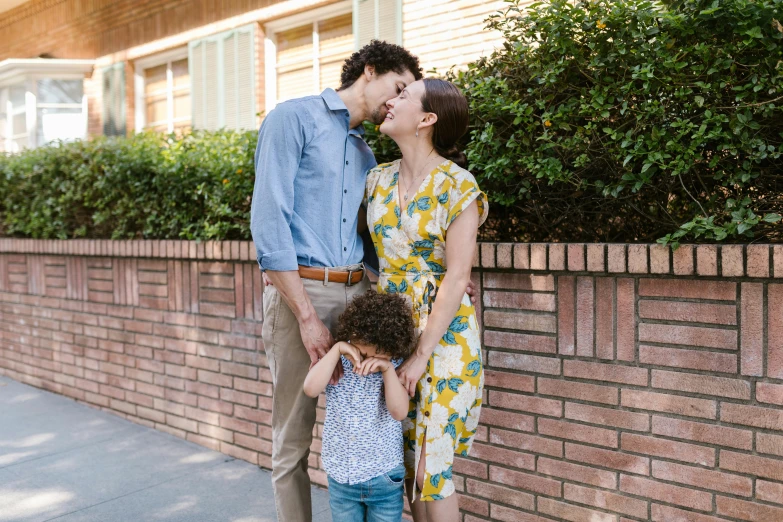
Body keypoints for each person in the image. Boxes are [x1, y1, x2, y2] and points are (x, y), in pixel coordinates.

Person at [249, 40, 423, 522]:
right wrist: (306, 316)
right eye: (399, 85)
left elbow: (372, 241)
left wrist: (434, 275)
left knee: (381, 420)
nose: (399, 99)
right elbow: (269, 222)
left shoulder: (365, 152)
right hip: (300, 291)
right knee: (293, 436)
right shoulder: (294, 118)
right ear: (370, 70)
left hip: (359, 297)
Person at [363, 78, 488, 522]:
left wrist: (420, 355)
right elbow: (355, 250)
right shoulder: (377, 180)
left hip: (444, 339)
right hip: (389, 330)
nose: (390, 102)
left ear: (427, 119)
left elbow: (457, 277)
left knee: (431, 465)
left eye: (403, 97)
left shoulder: (459, 186)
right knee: (407, 463)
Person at [303, 291, 416, 522]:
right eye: (364, 353)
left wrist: (386, 370)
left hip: (383, 477)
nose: (365, 362)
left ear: (391, 351)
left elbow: (399, 411)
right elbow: (310, 389)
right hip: (342, 480)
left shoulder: (392, 369)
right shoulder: (338, 362)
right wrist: (336, 350)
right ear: (354, 335)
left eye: (377, 357)